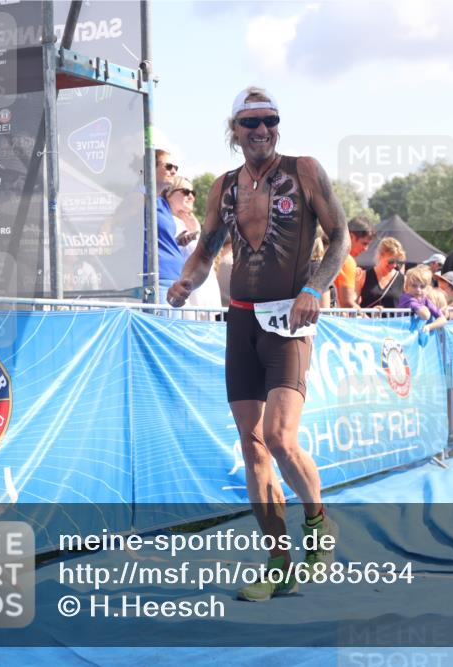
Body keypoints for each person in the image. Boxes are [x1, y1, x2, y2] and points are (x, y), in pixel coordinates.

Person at [167, 86, 348, 601]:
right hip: (241, 322)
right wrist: (185, 280)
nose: (262, 129)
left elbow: (337, 238)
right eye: (251, 123)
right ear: (235, 131)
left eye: (270, 120)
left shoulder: (305, 169)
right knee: (251, 446)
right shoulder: (223, 186)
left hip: (289, 318)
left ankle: (318, 523)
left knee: (280, 436)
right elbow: (206, 250)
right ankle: (278, 561)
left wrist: (315, 287)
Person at [164, 174, 220, 311]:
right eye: (185, 192)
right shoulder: (165, 223)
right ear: (169, 194)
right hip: (185, 302)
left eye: (193, 193)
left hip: (206, 301)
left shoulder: (193, 223)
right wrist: (176, 243)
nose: (191, 197)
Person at [147, 149, 187, 303]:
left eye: (176, 168)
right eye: (169, 166)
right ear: (150, 166)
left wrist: (176, 241)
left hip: (173, 281)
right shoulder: (139, 197)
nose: (174, 171)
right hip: (155, 281)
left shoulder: (162, 202)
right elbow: (111, 224)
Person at [334, 216, 372, 307]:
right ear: (351, 236)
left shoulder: (331, 255)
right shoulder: (347, 261)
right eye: (364, 243)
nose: (366, 249)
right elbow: (346, 302)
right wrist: (368, 318)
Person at [399, 265, 447, 337]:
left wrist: (429, 326)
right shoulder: (406, 298)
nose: (418, 290)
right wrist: (425, 308)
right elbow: (426, 315)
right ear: (406, 286)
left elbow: (443, 319)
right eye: (414, 286)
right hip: (402, 335)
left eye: (422, 286)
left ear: (427, 288)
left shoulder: (425, 300)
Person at [359, 237, 406, 308]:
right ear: (380, 255)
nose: (394, 265)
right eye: (391, 261)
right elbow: (353, 303)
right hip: (368, 318)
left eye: (398, 262)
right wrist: (368, 312)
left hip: (395, 319)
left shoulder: (403, 279)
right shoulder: (363, 276)